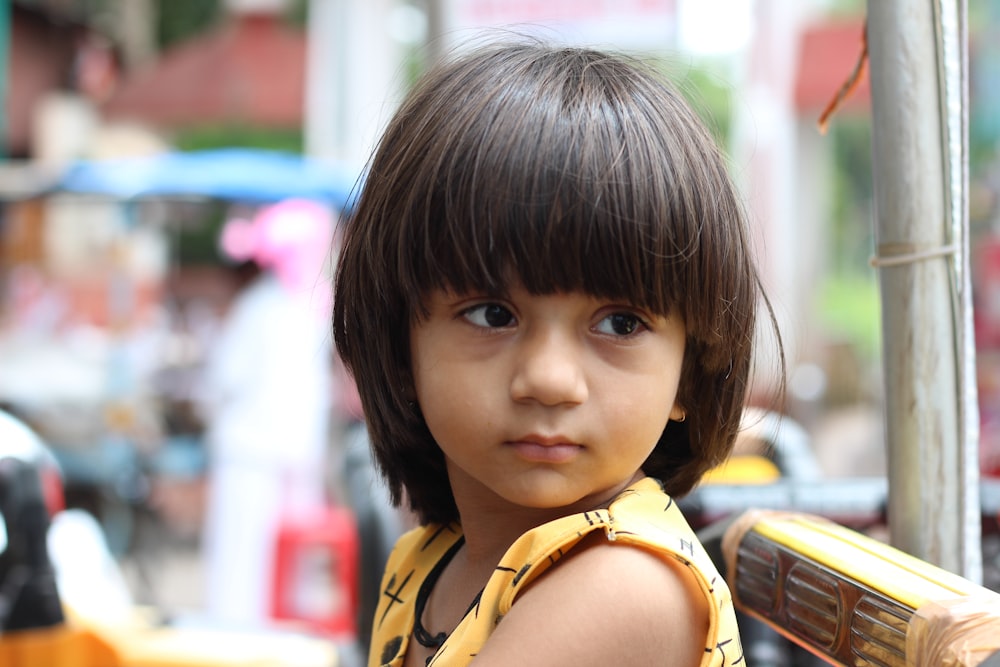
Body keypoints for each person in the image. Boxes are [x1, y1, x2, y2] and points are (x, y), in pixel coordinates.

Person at [333, 40, 774, 667]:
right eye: (492, 315)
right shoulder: (427, 563)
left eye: (620, 324)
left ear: (690, 373)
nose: (549, 380)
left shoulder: (624, 584)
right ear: (402, 347)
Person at [198, 198, 334, 627]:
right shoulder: (316, 308)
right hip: (298, 457)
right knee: (293, 575)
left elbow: (222, 380)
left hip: (251, 457)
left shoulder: (258, 307)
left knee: (241, 569)